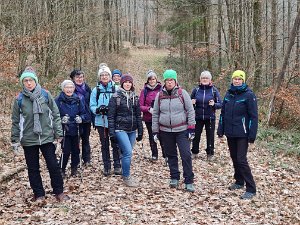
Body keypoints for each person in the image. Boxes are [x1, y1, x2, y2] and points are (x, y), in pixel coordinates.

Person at [11, 66, 69, 202]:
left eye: (31, 80)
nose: (29, 83)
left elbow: (55, 114)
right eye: (25, 81)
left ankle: (59, 192)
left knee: (53, 166)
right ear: (22, 83)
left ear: (35, 81)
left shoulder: (45, 94)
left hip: (47, 137)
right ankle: (39, 194)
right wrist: (15, 140)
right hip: (29, 139)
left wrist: (58, 133)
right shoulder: (19, 99)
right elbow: (15, 121)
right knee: (33, 168)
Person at [152, 69, 196, 192]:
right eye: (167, 80)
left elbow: (190, 111)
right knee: (171, 155)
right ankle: (174, 177)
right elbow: (155, 113)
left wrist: (191, 128)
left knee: (186, 155)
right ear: (164, 82)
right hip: (165, 131)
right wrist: (155, 131)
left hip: (182, 130)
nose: (169, 82)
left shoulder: (183, 93)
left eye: (171, 80)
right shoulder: (160, 95)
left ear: (175, 81)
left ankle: (189, 180)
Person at [217, 70, 258, 200]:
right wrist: (220, 130)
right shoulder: (228, 94)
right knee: (234, 158)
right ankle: (239, 181)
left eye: (239, 79)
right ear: (232, 80)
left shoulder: (249, 95)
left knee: (241, 159)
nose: (237, 81)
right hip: (230, 132)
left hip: (243, 133)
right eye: (235, 79)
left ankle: (251, 188)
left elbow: (254, 117)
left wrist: (252, 136)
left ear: (243, 80)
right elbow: (223, 113)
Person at [108, 74, 143, 187]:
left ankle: (124, 171)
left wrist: (140, 130)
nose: (128, 84)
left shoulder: (135, 97)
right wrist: (112, 133)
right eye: (125, 82)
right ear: (122, 83)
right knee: (128, 152)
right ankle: (126, 177)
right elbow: (111, 116)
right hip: (120, 129)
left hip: (132, 130)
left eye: (129, 82)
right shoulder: (115, 97)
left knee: (125, 153)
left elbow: (138, 115)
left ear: (132, 84)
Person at [90, 65, 122, 176]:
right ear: (99, 77)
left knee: (115, 143)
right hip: (101, 120)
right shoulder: (96, 90)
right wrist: (98, 109)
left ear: (110, 76)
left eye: (106, 75)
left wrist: (112, 109)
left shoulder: (116, 88)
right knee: (104, 144)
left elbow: (120, 104)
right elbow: (92, 105)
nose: (104, 77)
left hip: (114, 121)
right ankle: (107, 166)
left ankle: (117, 165)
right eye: (102, 75)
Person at [55, 80, 87, 178]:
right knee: (66, 150)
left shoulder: (78, 99)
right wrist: (61, 119)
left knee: (76, 150)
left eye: (71, 87)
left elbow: (84, 113)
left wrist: (81, 118)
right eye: (67, 87)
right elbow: (53, 115)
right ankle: (62, 169)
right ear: (63, 88)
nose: (69, 90)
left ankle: (74, 169)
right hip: (64, 129)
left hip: (76, 129)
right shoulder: (58, 100)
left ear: (74, 88)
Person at [190, 70, 222, 160]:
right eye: (203, 78)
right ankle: (194, 152)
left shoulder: (214, 91)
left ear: (210, 80)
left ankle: (210, 153)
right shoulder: (196, 90)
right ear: (200, 79)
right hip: (198, 117)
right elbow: (188, 103)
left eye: (206, 78)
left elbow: (220, 104)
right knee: (196, 135)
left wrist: (214, 104)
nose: (204, 79)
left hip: (210, 117)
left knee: (210, 136)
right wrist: (192, 102)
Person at [139, 70, 166, 162]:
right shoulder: (144, 91)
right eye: (150, 79)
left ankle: (165, 155)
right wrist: (148, 109)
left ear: (156, 79)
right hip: (148, 118)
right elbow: (140, 106)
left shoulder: (162, 89)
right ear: (148, 80)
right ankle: (154, 154)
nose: (152, 81)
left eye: (153, 79)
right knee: (152, 136)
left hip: (161, 117)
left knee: (162, 136)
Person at [70, 69, 92, 166]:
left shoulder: (87, 88)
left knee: (86, 139)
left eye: (81, 77)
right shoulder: (70, 89)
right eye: (77, 77)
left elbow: (91, 102)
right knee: (75, 140)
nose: (80, 79)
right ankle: (76, 161)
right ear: (73, 78)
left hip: (86, 117)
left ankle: (86, 159)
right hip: (74, 118)